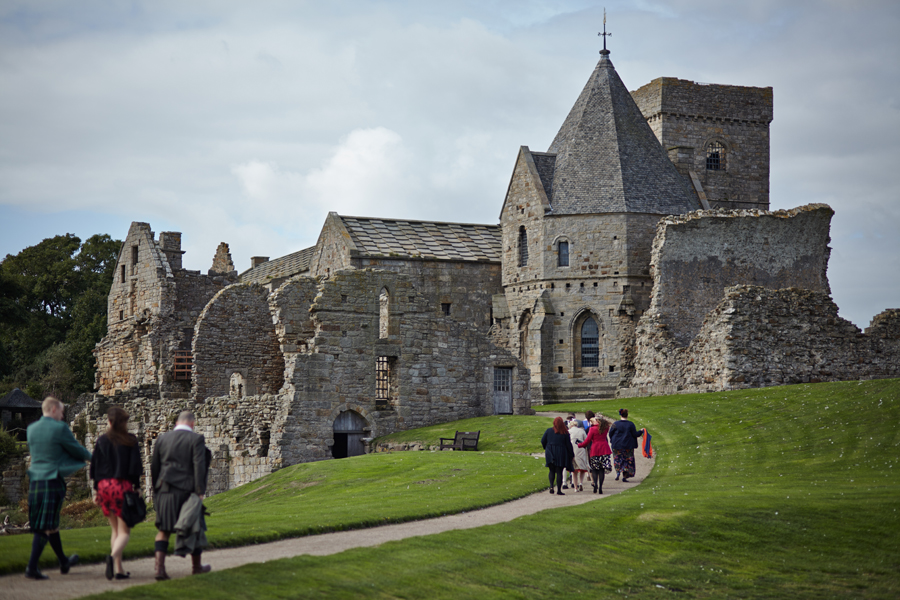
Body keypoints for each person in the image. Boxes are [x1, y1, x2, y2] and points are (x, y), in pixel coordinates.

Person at [24, 397, 92, 580]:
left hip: (35, 481)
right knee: (44, 526)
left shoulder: (31, 429)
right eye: (61, 412)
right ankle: (31, 568)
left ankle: (63, 561)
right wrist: (94, 458)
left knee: (50, 525)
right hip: (51, 480)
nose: (62, 416)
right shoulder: (59, 428)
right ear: (53, 409)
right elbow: (77, 450)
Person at [150, 410, 211, 580]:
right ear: (192, 423)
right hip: (187, 492)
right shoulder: (196, 439)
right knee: (195, 528)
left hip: (165, 490)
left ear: (177, 423)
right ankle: (196, 567)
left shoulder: (162, 439)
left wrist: (156, 489)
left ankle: (159, 569)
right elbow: (199, 466)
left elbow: (155, 466)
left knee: (163, 530)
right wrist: (200, 492)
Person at [90, 406, 143, 580]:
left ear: (110, 422)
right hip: (121, 486)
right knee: (124, 532)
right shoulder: (130, 440)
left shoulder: (102, 441)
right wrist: (137, 487)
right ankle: (112, 559)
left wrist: (97, 490)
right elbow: (135, 468)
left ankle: (118, 570)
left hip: (104, 486)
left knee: (115, 530)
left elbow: (95, 467)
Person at [608, 408, 643, 483]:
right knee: (628, 460)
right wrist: (641, 431)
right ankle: (625, 476)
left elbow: (610, 434)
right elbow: (635, 434)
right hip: (628, 445)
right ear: (627, 415)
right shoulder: (630, 424)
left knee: (617, 459)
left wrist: (612, 440)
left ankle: (618, 471)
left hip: (617, 444)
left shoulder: (615, 424)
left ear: (620, 415)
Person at [541, 417, 574, 496]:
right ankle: (559, 490)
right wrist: (571, 454)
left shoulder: (549, 431)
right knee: (559, 471)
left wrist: (547, 448)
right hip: (561, 453)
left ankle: (551, 486)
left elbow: (543, 441)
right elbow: (568, 445)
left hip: (550, 451)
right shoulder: (565, 433)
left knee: (551, 470)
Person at [579, 416, 613, 493]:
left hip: (595, 449)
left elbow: (587, 441)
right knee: (601, 469)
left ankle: (595, 485)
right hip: (604, 449)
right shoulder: (605, 428)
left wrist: (579, 445)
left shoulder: (592, 429)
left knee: (594, 469)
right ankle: (600, 487)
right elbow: (605, 424)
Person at [567, 419, 589, 491]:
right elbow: (586, 441)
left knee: (574, 471)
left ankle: (575, 487)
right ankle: (581, 483)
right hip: (581, 450)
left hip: (572, 451)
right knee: (582, 469)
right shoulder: (582, 431)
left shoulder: (569, 432)